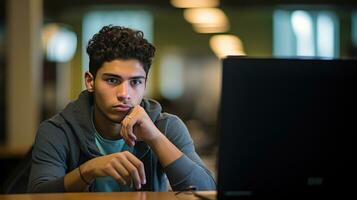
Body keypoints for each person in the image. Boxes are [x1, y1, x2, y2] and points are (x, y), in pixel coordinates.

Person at [28, 25, 216, 192]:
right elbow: (37, 195)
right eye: (112, 80)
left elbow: (207, 190)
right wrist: (88, 170)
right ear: (90, 81)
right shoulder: (57, 130)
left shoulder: (165, 126)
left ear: (145, 84)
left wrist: (155, 137)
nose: (124, 93)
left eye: (135, 82)